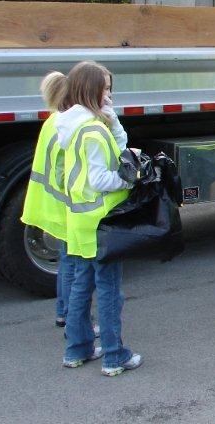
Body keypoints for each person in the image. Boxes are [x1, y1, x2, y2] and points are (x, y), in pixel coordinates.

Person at [57, 61, 142, 376]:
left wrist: (113, 119)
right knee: (109, 290)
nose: (110, 94)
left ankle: (76, 349)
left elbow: (118, 145)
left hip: (80, 218)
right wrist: (130, 181)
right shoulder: (92, 130)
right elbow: (100, 178)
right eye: (106, 88)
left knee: (82, 283)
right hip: (100, 221)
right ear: (91, 89)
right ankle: (114, 356)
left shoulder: (75, 123)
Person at [21, 72, 72, 328]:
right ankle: (75, 319)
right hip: (69, 207)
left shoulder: (52, 121)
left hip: (51, 205)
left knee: (66, 263)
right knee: (76, 268)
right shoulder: (71, 126)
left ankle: (64, 312)